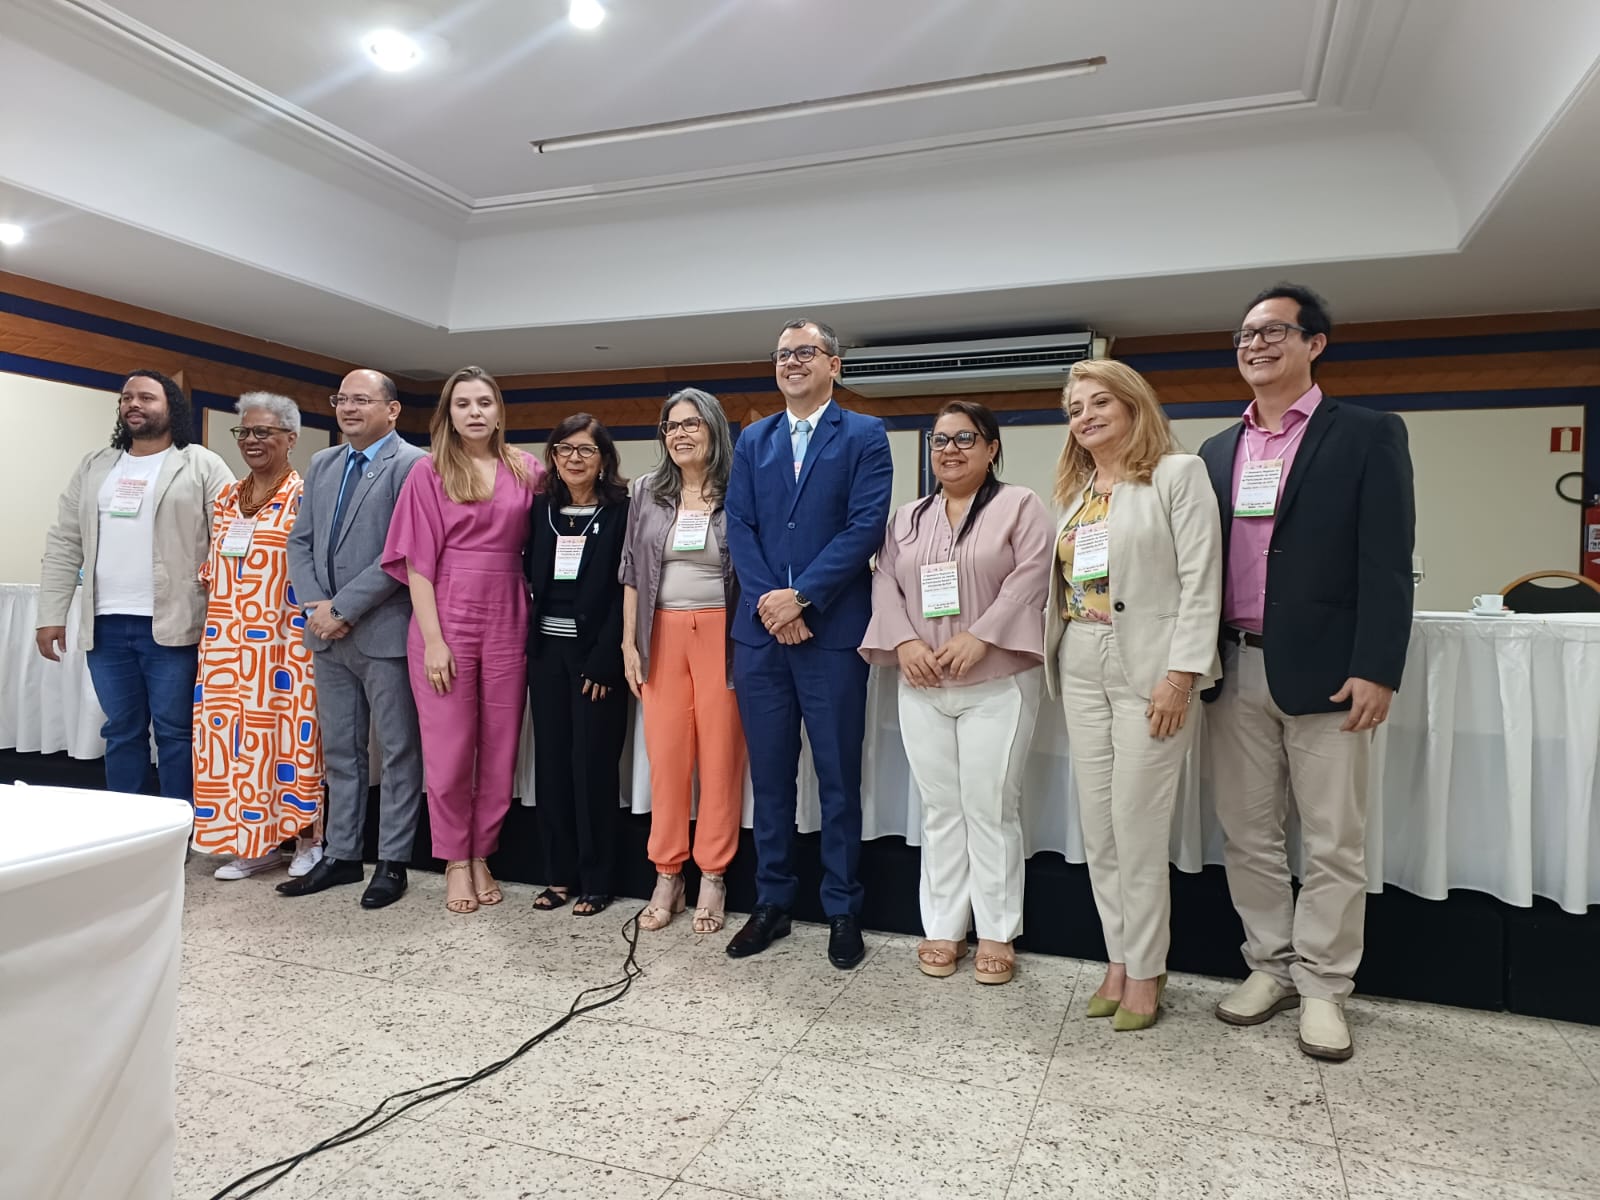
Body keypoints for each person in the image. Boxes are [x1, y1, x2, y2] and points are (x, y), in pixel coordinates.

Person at [1198, 283, 1415, 1060]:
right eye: (1245, 335)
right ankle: (1270, 964)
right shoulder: (1218, 451)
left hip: (1329, 673)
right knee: (1249, 834)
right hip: (1235, 667)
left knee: (1332, 840)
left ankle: (1325, 986)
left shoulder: (1365, 434)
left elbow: (1389, 562)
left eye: (1274, 332)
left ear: (1315, 344)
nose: (1255, 345)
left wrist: (1378, 665)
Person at [1044, 361, 1223, 1030]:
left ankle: (1147, 970)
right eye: (1073, 408)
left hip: (1150, 668)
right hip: (1082, 660)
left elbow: (1203, 581)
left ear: (1133, 406)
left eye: (1098, 403)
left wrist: (1183, 674)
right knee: (1100, 829)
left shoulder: (1177, 476)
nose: (1084, 416)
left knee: (1139, 830)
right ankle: (1117, 960)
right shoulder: (1077, 490)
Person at [860, 402, 1051, 984]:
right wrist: (906, 644)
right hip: (922, 683)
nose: (950, 450)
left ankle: (996, 932)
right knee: (941, 810)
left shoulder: (1020, 505)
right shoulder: (908, 517)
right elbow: (885, 582)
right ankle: (943, 926)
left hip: (996, 682)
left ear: (992, 447)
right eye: (940, 440)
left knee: (990, 809)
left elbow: (1034, 575)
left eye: (965, 439)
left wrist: (981, 636)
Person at [724, 318, 893, 969]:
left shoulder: (864, 435)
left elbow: (864, 527)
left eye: (805, 352)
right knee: (769, 780)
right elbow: (739, 523)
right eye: (783, 354)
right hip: (761, 641)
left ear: (834, 365)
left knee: (836, 779)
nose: (792, 362)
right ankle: (772, 903)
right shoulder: (753, 439)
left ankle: (844, 907)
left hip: (830, 636)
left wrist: (804, 597)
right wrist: (773, 602)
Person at [382, 366, 543, 915]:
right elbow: (417, 565)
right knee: (449, 751)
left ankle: (482, 852)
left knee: (500, 749)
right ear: (447, 413)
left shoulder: (528, 470)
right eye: (463, 404)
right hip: (445, 612)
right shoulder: (428, 473)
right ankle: (453, 857)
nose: (475, 412)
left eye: (485, 403)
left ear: (500, 411)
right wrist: (434, 640)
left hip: (509, 614)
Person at [37, 370, 233, 801]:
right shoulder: (96, 464)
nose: (134, 405)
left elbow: (230, 539)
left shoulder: (201, 463)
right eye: (127, 398)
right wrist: (51, 615)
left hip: (175, 623)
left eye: (146, 397)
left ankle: (176, 826)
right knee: (121, 729)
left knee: (175, 732)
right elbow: (65, 541)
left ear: (170, 407)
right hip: (105, 624)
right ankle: (127, 829)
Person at [280, 368, 426, 909]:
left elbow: (404, 553)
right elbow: (301, 543)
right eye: (342, 399)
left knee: (395, 751)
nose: (348, 408)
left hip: (383, 630)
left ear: (392, 410)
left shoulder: (413, 465)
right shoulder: (322, 463)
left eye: (361, 400)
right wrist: (318, 606)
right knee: (340, 750)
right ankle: (341, 855)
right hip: (326, 634)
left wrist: (343, 607)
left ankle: (392, 861)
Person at [620, 389, 745, 934]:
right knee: (667, 757)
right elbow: (630, 570)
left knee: (720, 756)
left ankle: (713, 873)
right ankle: (667, 871)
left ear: (715, 428)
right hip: (660, 631)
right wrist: (630, 643)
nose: (680, 434)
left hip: (725, 631)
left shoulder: (742, 487)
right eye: (671, 427)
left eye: (692, 424)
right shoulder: (647, 490)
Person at [192, 393, 325, 880]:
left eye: (264, 432)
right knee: (238, 744)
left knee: (293, 742)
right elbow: (212, 572)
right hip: (228, 647)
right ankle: (254, 843)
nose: (252, 441)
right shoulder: (225, 498)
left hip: (285, 646)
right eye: (244, 432)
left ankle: (311, 840)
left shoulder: (306, 496)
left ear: (291, 439)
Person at [526, 413, 630, 916]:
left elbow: (623, 592)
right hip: (546, 657)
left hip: (597, 659)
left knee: (592, 769)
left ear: (604, 459)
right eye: (564, 449)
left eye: (585, 450)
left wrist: (606, 659)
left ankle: (597, 878)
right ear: (552, 457)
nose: (573, 458)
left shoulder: (621, 512)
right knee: (552, 768)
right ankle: (557, 874)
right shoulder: (540, 509)